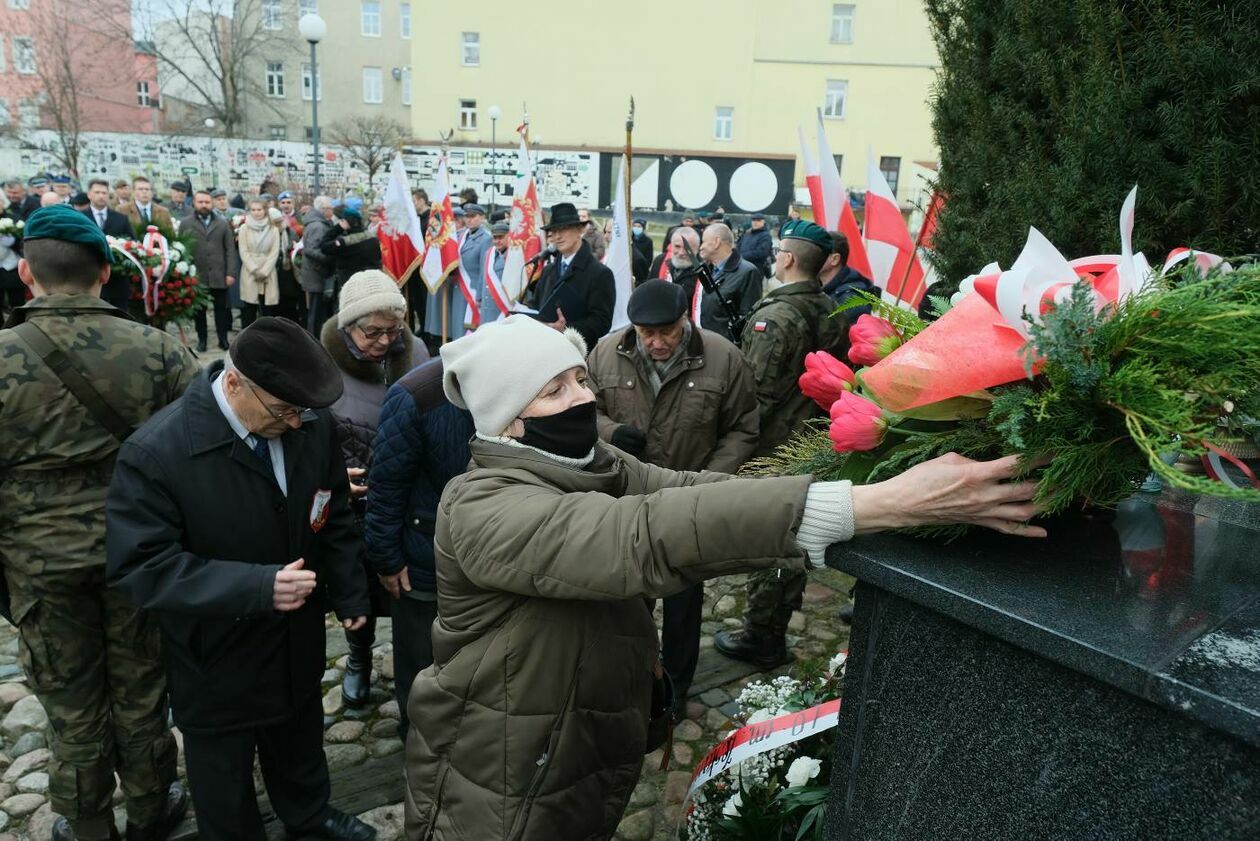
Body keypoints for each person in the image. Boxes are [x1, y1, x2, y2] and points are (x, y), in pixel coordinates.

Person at [402, 315, 1044, 840]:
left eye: (579, 378)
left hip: (570, 749)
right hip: (497, 774)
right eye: (555, 391)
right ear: (508, 419)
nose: (585, 398)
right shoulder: (480, 505)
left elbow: (692, 491)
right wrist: (881, 505)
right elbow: (648, 532)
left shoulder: (591, 460)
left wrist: (865, 482)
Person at [105, 318, 375, 841]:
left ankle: (308, 814)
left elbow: (332, 510)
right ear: (234, 385)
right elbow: (140, 566)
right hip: (215, 653)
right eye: (283, 411)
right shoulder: (156, 453)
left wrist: (348, 589)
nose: (296, 424)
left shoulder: (307, 424)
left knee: (299, 736)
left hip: (294, 639)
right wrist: (257, 587)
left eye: (303, 411)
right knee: (223, 777)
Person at [0, 206, 195, 841]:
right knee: (142, 692)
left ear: (26, 272)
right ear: (106, 273)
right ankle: (148, 813)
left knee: (72, 707)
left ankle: (86, 827)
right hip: (136, 554)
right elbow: (196, 464)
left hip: (39, 564)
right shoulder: (161, 351)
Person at [587, 280, 758, 715]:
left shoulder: (723, 358)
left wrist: (707, 482)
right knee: (627, 599)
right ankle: (630, 680)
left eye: (666, 331)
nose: (657, 342)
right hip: (625, 501)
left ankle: (675, 691)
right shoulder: (605, 354)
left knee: (683, 603)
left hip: (691, 502)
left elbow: (743, 428)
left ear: (686, 319)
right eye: (647, 333)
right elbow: (585, 410)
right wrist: (609, 432)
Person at [714, 219, 854, 669]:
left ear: (789, 258)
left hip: (778, 446)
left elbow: (757, 395)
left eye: (779, 252)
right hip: (811, 439)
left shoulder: (775, 316)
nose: (776, 258)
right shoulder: (828, 306)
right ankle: (770, 626)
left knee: (776, 539)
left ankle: (763, 634)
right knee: (798, 536)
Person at [321, 270, 429, 707]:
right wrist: (331, 475)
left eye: (393, 328)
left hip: (405, 497)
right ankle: (359, 658)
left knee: (408, 587)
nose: (384, 341)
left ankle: (415, 667)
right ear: (348, 326)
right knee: (357, 589)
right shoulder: (321, 362)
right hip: (352, 501)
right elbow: (305, 436)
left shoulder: (418, 351)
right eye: (372, 332)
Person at [364, 354, 474, 742]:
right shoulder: (416, 395)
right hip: (423, 556)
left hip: (485, 556)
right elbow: (386, 485)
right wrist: (387, 558)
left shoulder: (522, 388)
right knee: (420, 661)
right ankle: (420, 743)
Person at [527, 202, 615, 350]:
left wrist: (566, 328)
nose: (557, 236)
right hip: (543, 350)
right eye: (553, 232)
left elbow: (601, 322)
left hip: (577, 355)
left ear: (579, 230)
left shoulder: (599, 273)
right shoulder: (548, 271)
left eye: (563, 229)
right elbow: (536, 306)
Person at [428, 203, 490, 338]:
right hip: (458, 288)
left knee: (468, 332)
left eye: (473, 216)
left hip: (472, 291)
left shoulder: (486, 239)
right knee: (456, 328)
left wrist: (480, 295)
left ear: (481, 217)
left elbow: (485, 271)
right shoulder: (462, 236)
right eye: (467, 216)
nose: (469, 219)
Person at [186, 189, 237, 352]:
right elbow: (183, 249)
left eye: (207, 202)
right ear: (194, 203)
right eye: (200, 202)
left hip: (219, 274)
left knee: (221, 309)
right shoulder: (186, 223)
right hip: (197, 275)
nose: (204, 205)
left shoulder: (222, 223)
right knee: (199, 311)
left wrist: (230, 273)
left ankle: (223, 339)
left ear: (212, 203)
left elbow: (230, 249)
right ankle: (202, 340)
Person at [697, 222, 763, 342]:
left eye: (704, 242)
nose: (700, 247)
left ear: (717, 242)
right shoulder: (708, 270)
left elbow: (749, 320)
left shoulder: (747, 272)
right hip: (705, 343)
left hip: (726, 349)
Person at [81, 179, 134, 312]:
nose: (101, 196)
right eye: (97, 192)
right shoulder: (80, 217)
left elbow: (132, 243)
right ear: (89, 195)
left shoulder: (121, 218)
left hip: (117, 280)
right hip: (88, 279)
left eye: (104, 193)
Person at [322, 199, 381, 307]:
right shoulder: (373, 239)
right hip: (370, 285)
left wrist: (338, 228)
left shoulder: (345, 242)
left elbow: (324, 246)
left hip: (348, 286)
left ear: (345, 222)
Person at [236, 199, 280, 326]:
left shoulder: (273, 229)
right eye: (253, 210)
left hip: (268, 271)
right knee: (249, 307)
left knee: (267, 308)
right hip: (250, 271)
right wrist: (254, 270)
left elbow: (274, 252)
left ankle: (267, 336)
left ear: (265, 210)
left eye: (259, 209)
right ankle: (247, 337)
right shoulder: (244, 228)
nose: (256, 213)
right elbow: (243, 251)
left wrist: (265, 271)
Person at [820, 230, 878, 316]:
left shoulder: (851, 301)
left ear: (835, 259)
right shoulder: (817, 286)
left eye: (816, 252)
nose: (809, 256)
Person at [302, 196, 336, 334]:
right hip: (317, 273)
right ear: (323, 210)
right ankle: (314, 342)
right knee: (316, 314)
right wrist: (330, 258)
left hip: (315, 272)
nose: (332, 211)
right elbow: (311, 250)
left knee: (316, 312)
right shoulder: (318, 226)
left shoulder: (317, 223)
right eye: (330, 209)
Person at [651, 225, 704, 301]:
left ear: (697, 248)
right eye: (677, 246)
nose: (681, 252)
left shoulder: (703, 271)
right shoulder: (660, 261)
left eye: (687, 248)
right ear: (671, 245)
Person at [272, 206, 305, 324]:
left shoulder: (289, 232)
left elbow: (295, 248)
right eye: (275, 223)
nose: (279, 224)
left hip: (288, 274)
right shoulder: (268, 233)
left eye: (280, 221)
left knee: (289, 306)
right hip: (272, 274)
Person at [407, 189, 431, 334]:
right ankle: (422, 327)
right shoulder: (414, 219)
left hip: (427, 267)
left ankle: (428, 330)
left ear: (422, 200)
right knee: (417, 301)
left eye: (414, 200)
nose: (412, 204)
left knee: (426, 301)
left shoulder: (431, 219)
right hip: (415, 267)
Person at [738, 213, 773, 278]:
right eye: (754, 220)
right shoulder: (747, 234)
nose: (755, 222)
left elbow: (761, 253)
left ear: (763, 222)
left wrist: (742, 256)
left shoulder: (766, 236)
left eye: (758, 220)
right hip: (742, 268)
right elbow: (738, 246)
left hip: (755, 270)